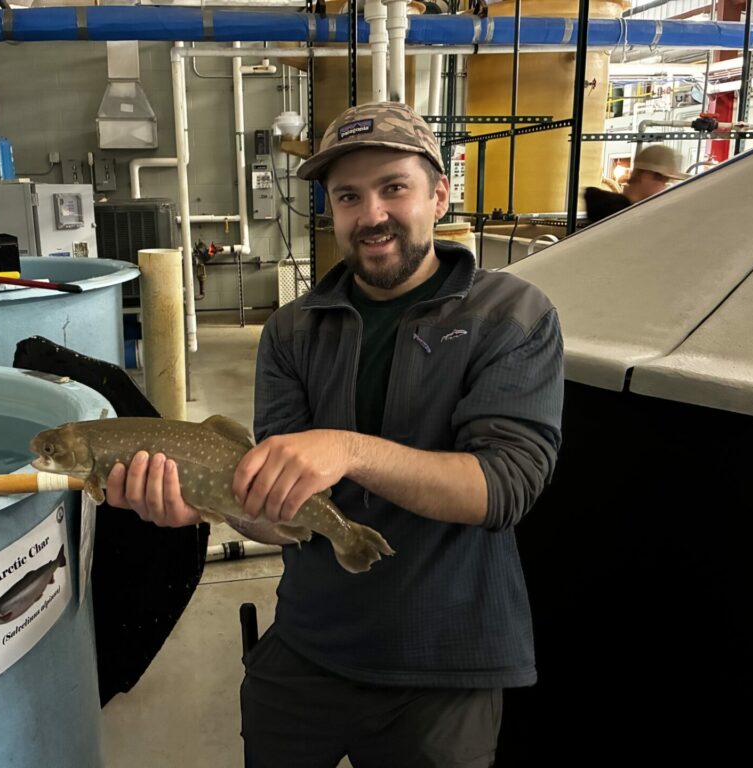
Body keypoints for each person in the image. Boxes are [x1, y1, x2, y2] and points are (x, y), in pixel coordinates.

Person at [106, 101, 564, 768]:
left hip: (445, 665)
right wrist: (202, 509)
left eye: (394, 188)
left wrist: (349, 449)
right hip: (307, 650)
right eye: (349, 196)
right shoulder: (294, 329)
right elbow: (276, 516)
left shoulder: (510, 315)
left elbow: (503, 488)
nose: (371, 214)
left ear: (439, 194)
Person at [584, 144, 689, 224]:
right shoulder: (620, 217)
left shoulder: (616, 211)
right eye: (664, 181)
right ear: (646, 175)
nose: (665, 188)